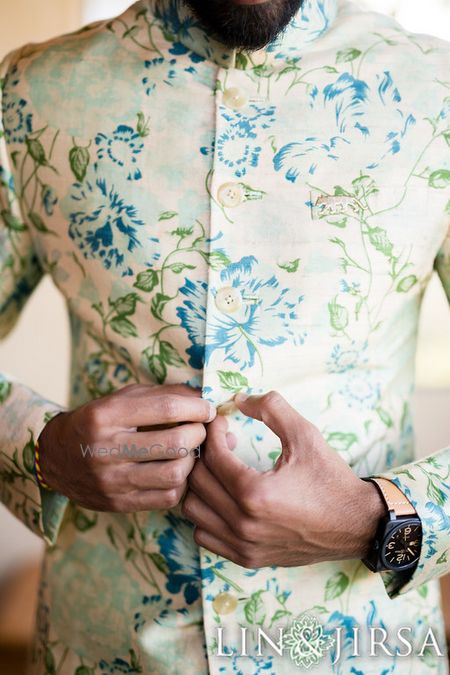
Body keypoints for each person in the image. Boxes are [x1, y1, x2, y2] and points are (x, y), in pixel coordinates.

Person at [0, 0, 449, 672]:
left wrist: (376, 521)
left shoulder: (437, 97)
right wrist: (38, 450)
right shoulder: (29, 95)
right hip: (100, 649)